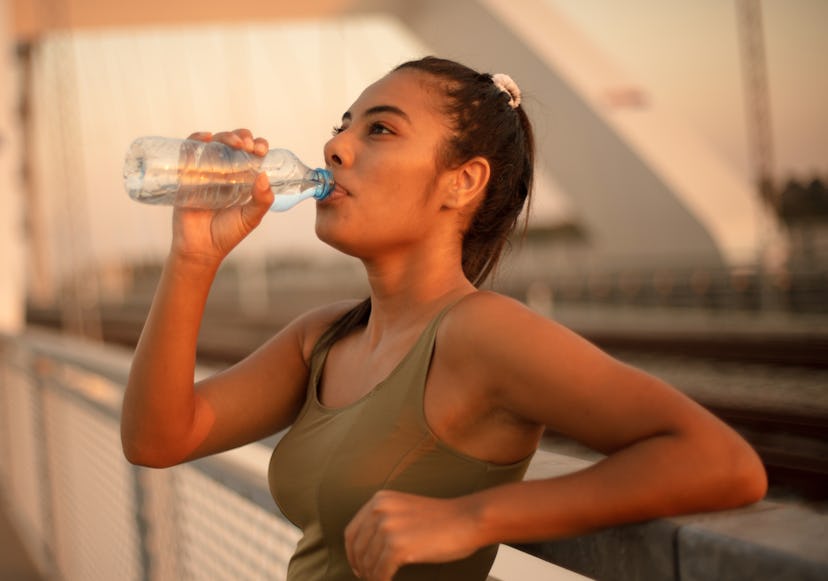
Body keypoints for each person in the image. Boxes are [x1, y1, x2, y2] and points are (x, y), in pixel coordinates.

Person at [121, 56, 767, 581]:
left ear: (463, 181)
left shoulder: (480, 333)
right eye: (343, 124)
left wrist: (475, 516)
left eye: (379, 129)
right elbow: (158, 439)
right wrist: (193, 256)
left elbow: (724, 462)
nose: (335, 145)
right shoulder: (323, 337)